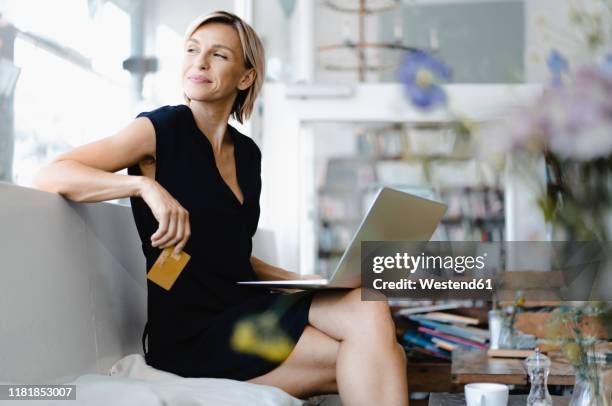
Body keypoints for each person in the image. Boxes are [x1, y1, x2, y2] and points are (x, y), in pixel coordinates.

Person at [32, 10, 407, 405]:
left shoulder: (248, 155)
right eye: (193, 50)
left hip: (244, 311)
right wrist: (142, 185)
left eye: (219, 55)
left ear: (245, 77)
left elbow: (231, 253)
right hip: (189, 331)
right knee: (377, 351)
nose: (200, 61)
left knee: (369, 307)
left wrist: (300, 279)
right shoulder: (161, 129)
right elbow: (51, 173)